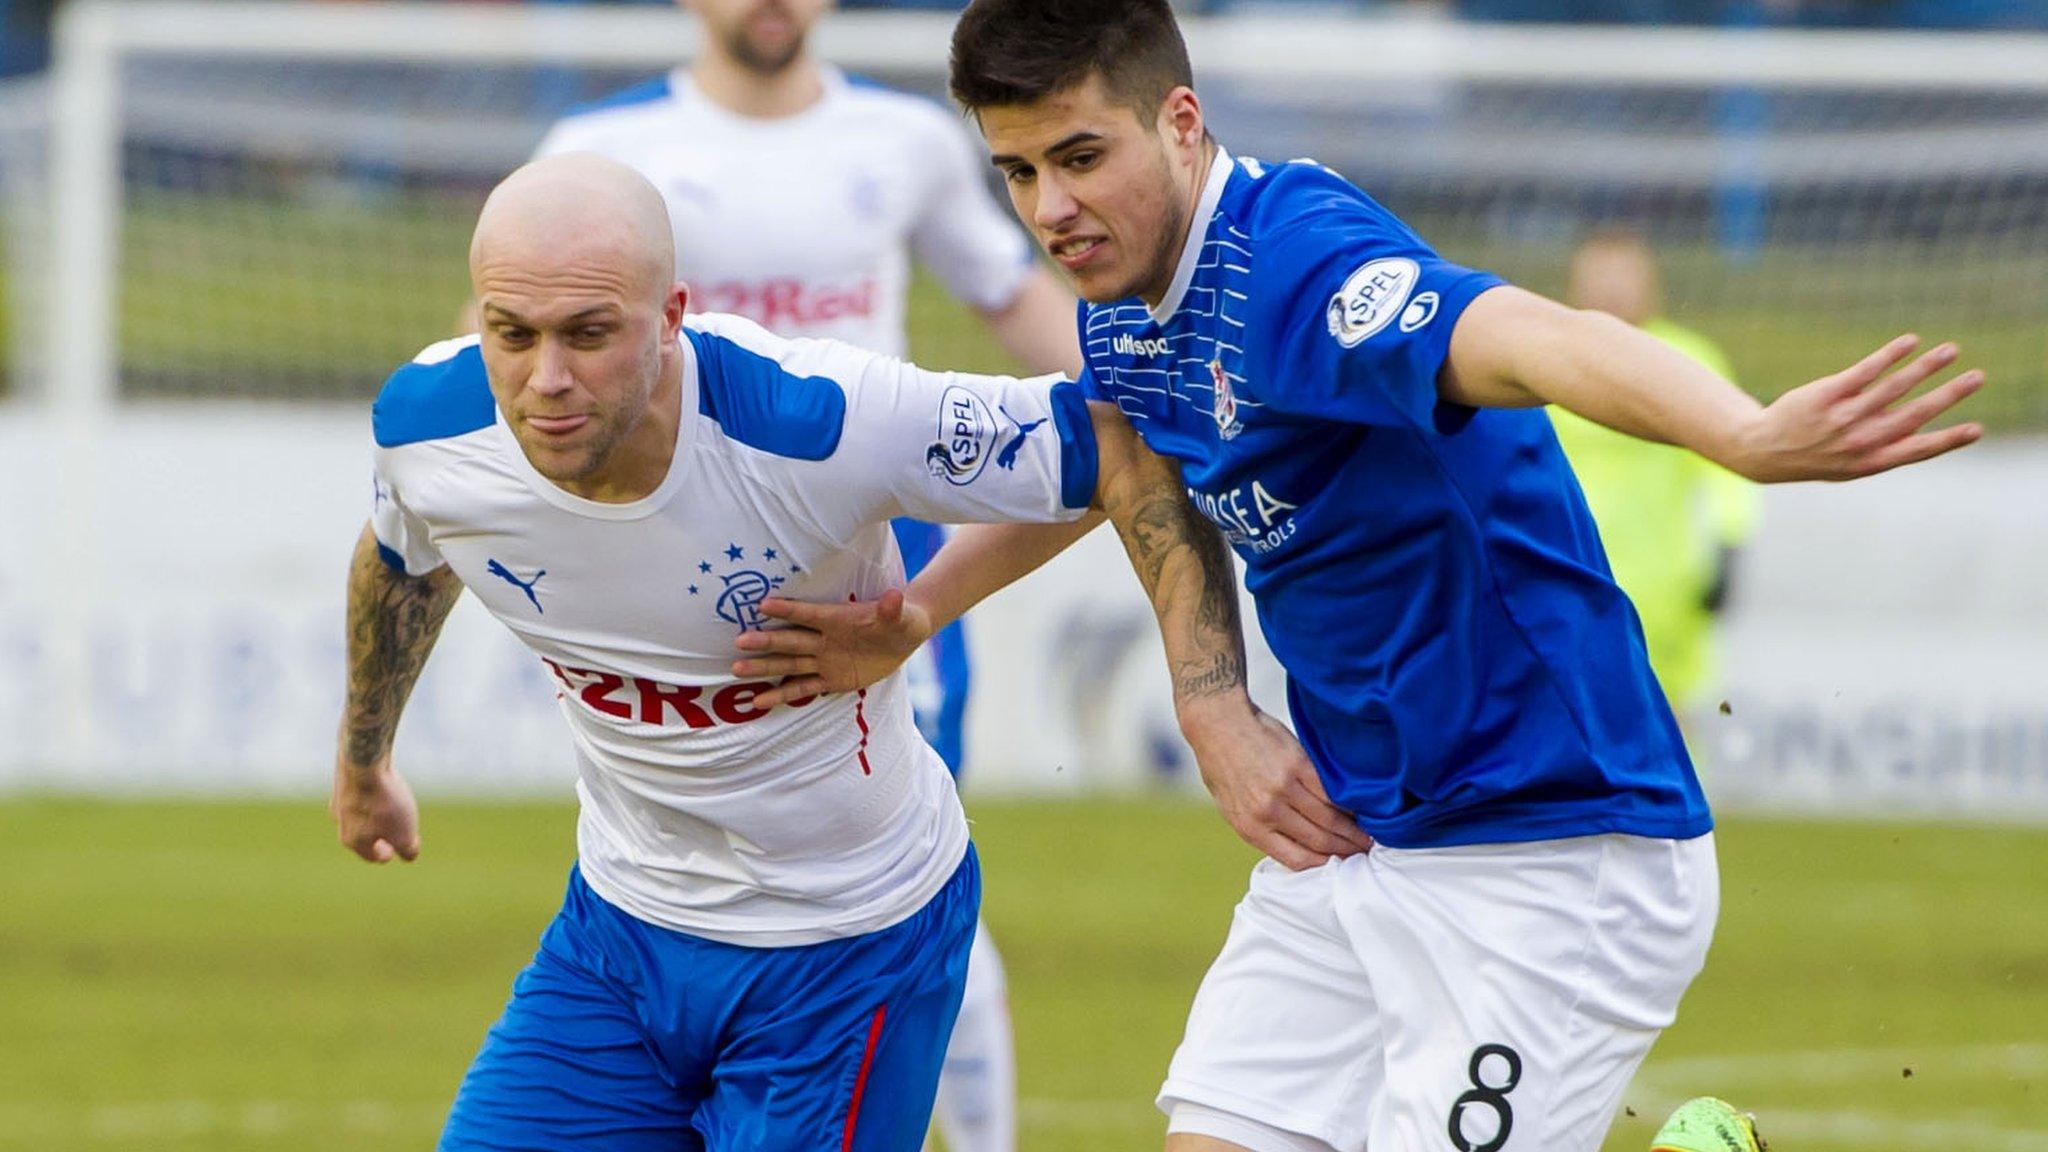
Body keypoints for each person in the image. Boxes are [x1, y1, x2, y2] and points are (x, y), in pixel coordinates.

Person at [727, 3, 1986, 1151]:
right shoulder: (1121, 309)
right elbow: (1119, 460)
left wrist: (1741, 434)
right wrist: (923, 614)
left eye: (1078, 156)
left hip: (1554, 853)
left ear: (1178, 121)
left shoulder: (1296, 266)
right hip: (1353, 843)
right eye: (1016, 172)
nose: (1049, 207)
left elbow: (1535, 338)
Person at [330, 152, 1236, 1151]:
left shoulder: (815, 422)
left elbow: (1121, 447)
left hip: (846, 949)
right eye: (512, 335)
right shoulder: (429, 432)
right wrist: (364, 759)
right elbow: (403, 565)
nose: (546, 380)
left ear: (671, 315)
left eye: (589, 336)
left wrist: (1201, 703)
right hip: (617, 936)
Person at [528, 4, 1083, 1142]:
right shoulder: (602, 156)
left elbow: (1010, 296)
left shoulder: (906, 140)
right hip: (674, 566)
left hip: (870, 574)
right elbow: (507, 350)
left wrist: (1152, 400)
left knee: (904, 874)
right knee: (690, 858)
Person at [1551, 229, 1759, 715]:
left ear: (1652, 285)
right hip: (1566, 576)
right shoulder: (1547, 363)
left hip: (1663, 586)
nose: (1612, 290)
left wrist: (1730, 544)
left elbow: (1728, 464)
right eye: (1600, 278)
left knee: (1666, 718)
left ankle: (1685, 794)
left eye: (1624, 278)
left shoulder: (1688, 358)